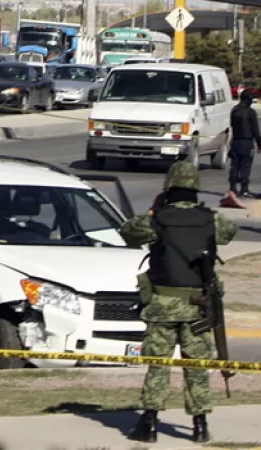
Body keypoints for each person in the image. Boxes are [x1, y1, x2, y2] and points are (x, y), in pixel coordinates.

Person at [119, 161, 238, 444]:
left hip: (163, 304)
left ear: (168, 187)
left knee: (157, 364)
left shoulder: (157, 219)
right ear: (196, 186)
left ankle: (148, 424)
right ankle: (199, 425)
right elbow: (229, 233)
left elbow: (127, 232)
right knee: (197, 366)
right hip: (199, 307)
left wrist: (154, 209)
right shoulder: (212, 219)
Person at [228, 89, 261, 197]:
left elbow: (232, 125)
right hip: (247, 142)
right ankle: (244, 188)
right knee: (246, 165)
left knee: (234, 165)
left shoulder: (234, 110)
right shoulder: (250, 112)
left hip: (236, 141)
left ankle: (232, 187)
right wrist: (259, 144)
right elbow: (255, 130)